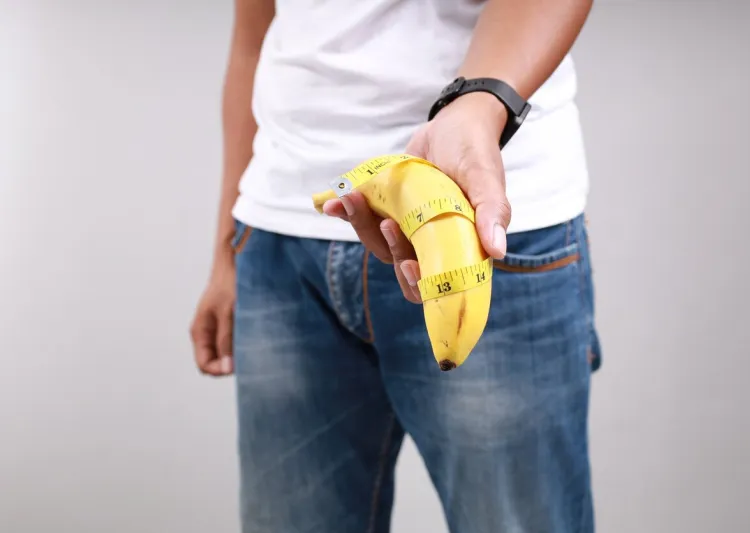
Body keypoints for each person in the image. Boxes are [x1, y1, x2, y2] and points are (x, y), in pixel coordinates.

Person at [189, 0, 602, 531]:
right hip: (280, 234)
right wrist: (226, 251)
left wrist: (478, 103)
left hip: (480, 227)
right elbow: (253, 35)